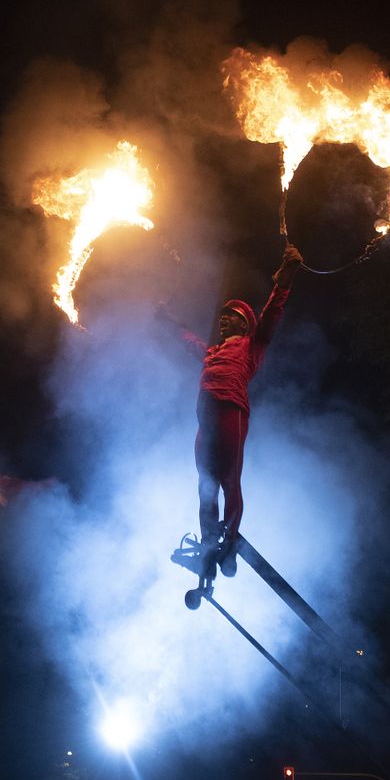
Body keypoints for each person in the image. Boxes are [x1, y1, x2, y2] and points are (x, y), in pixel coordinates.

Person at [162, 244, 304, 577]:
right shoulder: (212, 352)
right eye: (223, 317)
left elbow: (272, 314)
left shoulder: (253, 346)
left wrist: (285, 278)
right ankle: (208, 549)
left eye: (232, 318)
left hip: (230, 412)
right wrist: (169, 322)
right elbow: (188, 341)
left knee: (229, 481)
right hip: (205, 421)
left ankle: (229, 542)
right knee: (205, 484)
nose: (224, 321)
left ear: (245, 326)